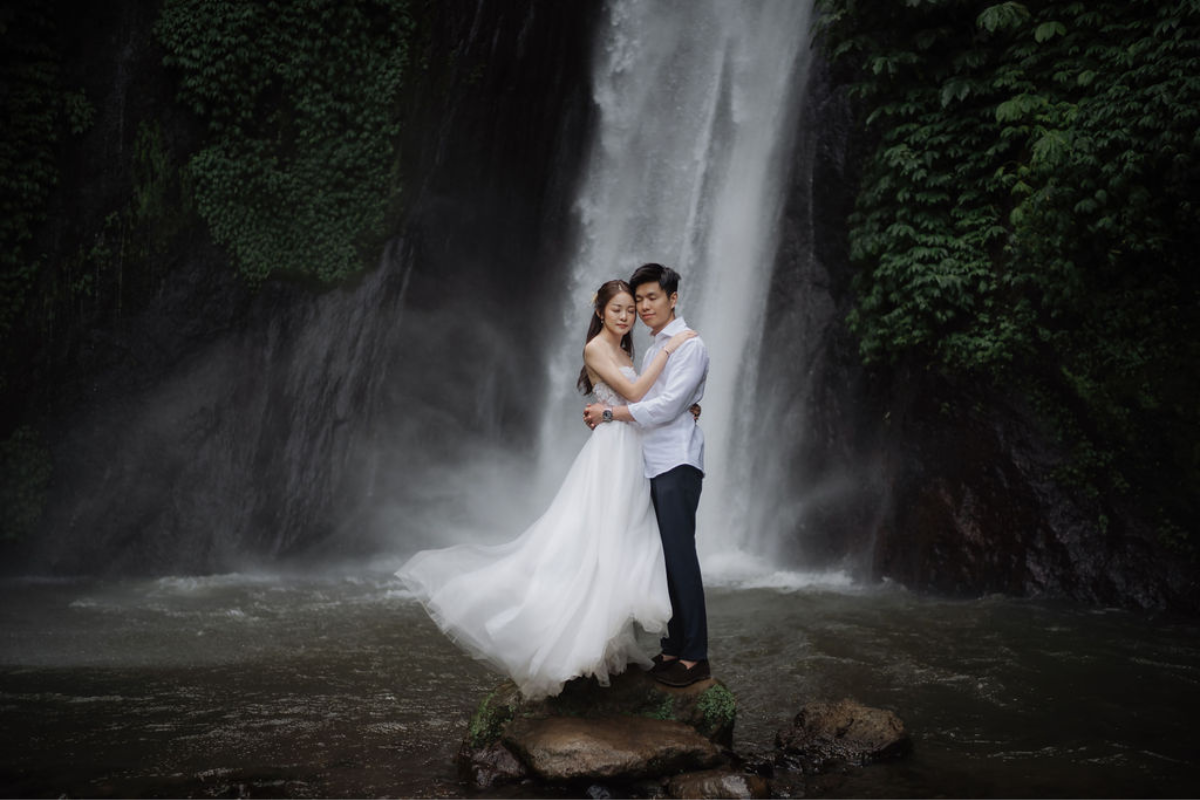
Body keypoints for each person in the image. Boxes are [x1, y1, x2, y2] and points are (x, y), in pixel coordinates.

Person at [396, 279, 697, 699]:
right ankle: (568, 642)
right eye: (619, 309)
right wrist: (669, 348)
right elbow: (632, 392)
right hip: (612, 453)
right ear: (601, 312)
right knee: (592, 539)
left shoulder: (629, 350)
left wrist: (682, 404)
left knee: (620, 542)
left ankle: (605, 643)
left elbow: (644, 401)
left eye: (632, 309)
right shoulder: (596, 348)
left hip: (634, 450)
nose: (627, 316)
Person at [584, 263, 710, 687]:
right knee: (665, 560)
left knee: (681, 559)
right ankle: (674, 647)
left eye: (650, 298)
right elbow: (660, 398)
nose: (642, 307)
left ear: (672, 299)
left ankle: (695, 657)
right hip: (650, 461)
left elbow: (662, 407)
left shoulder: (687, 345)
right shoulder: (657, 346)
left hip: (676, 461)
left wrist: (609, 412)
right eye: (638, 300)